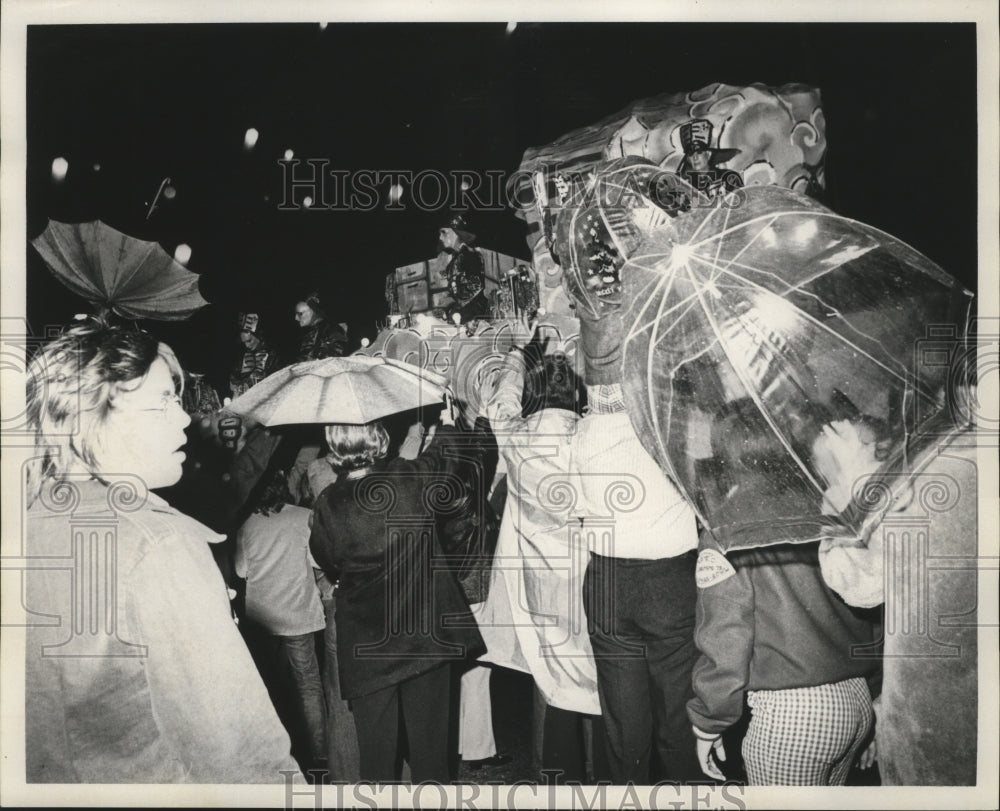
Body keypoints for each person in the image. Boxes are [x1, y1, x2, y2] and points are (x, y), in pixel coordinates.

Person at [23, 320, 301, 783]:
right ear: (91, 418)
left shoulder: (27, 521)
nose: (184, 418)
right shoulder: (158, 545)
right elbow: (243, 758)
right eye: (162, 404)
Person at [686, 399, 879, 786]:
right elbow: (869, 614)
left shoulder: (726, 532)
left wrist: (708, 722)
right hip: (857, 698)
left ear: (723, 453)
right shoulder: (830, 507)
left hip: (793, 716)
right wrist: (875, 698)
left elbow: (726, 639)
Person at [308, 412, 486, 783]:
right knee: (432, 758)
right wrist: (454, 420)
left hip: (368, 647)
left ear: (333, 445)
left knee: (376, 763)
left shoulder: (328, 503)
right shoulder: (409, 478)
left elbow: (328, 560)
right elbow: (451, 456)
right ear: (379, 437)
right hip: (424, 641)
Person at [816, 406, 979, 785]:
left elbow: (858, 584)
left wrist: (857, 486)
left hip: (945, 723)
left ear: (882, 450)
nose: (828, 489)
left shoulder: (940, 477)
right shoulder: (948, 459)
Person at [478, 346, 603, 782]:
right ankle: (602, 777)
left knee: (551, 680)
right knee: (598, 681)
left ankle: (558, 779)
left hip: (537, 584)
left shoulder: (516, 438)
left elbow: (499, 403)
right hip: (590, 576)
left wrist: (516, 355)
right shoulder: (590, 435)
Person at [572, 381, 703, 784]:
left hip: (608, 579)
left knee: (623, 724)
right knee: (678, 715)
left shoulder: (582, 430)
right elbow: (704, 492)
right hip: (669, 579)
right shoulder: (674, 421)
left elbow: (577, 510)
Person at [234, 468, 327, 774]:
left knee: (270, 685)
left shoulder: (246, 524)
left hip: (262, 619)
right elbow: (317, 562)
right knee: (308, 684)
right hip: (299, 613)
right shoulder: (304, 516)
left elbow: (241, 571)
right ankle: (320, 756)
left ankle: (278, 754)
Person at [677, 118, 743, 200]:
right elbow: (692, 210)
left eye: (699, 152)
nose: (695, 157)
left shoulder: (729, 178)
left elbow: (741, 205)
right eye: (690, 154)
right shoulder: (689, 187)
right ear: (688, 160)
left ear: (708, 154)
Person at [439, 213, 489, 324]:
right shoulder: (455, 259)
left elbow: (476, 285)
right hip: (462, 315)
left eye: (444, 232)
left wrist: (456, 308)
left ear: (456, 234)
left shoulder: (469, 255)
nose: (440, 237)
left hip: (474, 317)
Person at [230, 311, 281, 398]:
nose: (247, 345)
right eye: (244, 342)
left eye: (249, 341)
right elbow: (233, 380)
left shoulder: (272, 355)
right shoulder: (241, 355)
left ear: (259, 337)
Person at [294, 292, 348, 362]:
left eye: (300, 314)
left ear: (313, 311)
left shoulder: (331, 329)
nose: (296, 318)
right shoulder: (313, 331)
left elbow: (334, 360)